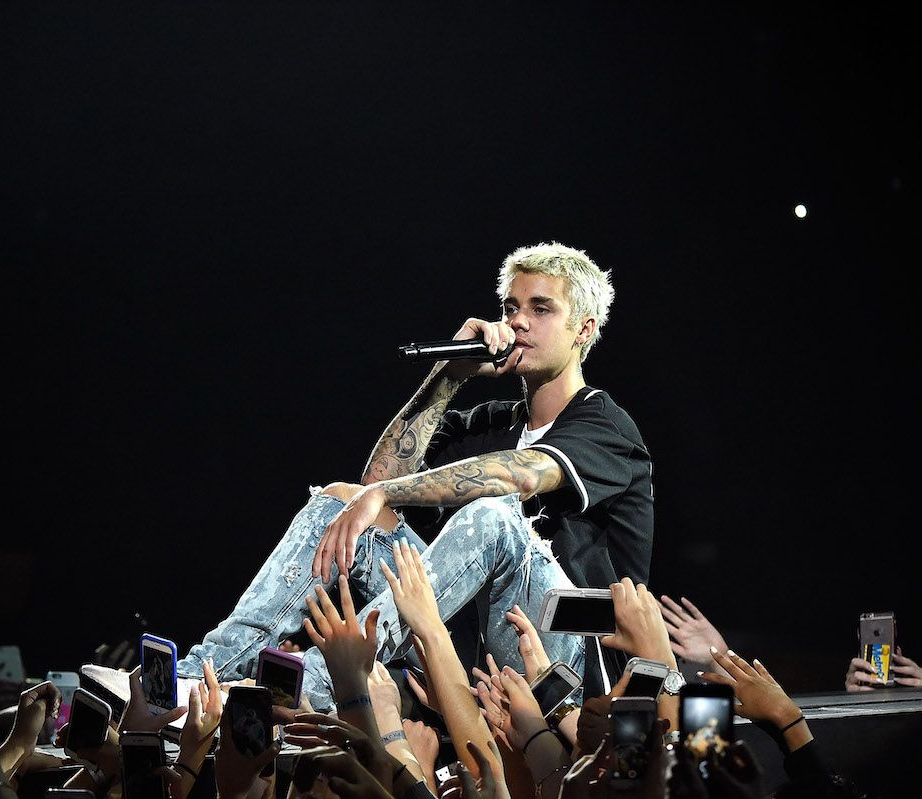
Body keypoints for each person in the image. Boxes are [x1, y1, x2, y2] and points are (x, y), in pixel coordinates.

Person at [178, 241, 654, 710]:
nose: (517, 321)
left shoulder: (605, 425)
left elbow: (524, 476)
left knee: (494, 515)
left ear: (583, 330)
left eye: (541, 308)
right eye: (510, 307)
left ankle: (315, 684)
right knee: (339, 500)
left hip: (565, 653)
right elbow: (376, 484)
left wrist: (384, 492)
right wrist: (450, 375)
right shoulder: (490, 422)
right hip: (466, 641)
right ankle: (200, 679)